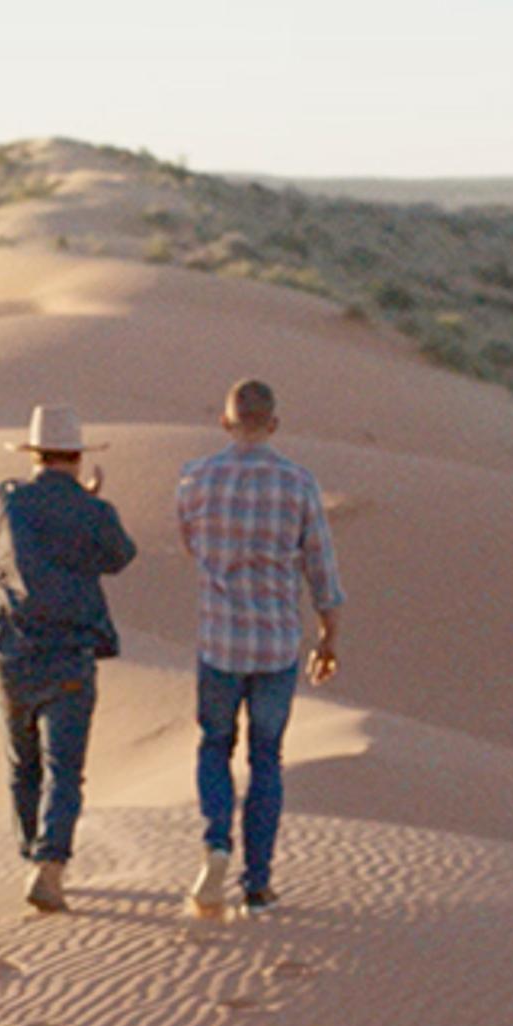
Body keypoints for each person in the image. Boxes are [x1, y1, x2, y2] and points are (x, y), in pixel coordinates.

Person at [174, 378, 343, 915]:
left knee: (214, 747)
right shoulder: (298, 483)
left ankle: (217, 843)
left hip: (219, 643)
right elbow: (321, 567)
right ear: (273, 424)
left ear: (225, 422)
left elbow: (190, 544)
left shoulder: (195, 480)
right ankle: (257, 884)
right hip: (275, 647)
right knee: (266, 759)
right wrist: (328, 636)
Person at [0, 405, 137, 913]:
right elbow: (120, 556)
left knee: (23, 766)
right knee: (64, 770)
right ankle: (50, 864)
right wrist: (87, 506)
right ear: (79, 459)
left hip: (10, 656)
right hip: (67, 658)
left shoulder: (4, 499)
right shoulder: (93, 513)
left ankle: (30, 856)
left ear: (35, 455)